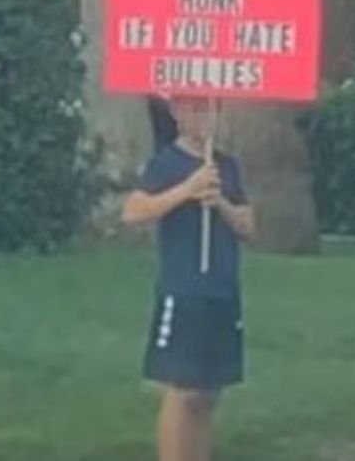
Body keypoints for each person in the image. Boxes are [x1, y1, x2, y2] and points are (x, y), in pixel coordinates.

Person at [121, 96, 256, 461]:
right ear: (178, 113)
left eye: (209, 109)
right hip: (184, 289)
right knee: (182, 390)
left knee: (209, 392)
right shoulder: (166, 163)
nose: (203, 118)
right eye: (194, 109)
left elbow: (248, 226)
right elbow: (133, 212)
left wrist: (220, 203)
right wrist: (187, 190)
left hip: (223, 290)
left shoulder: (226, 166)